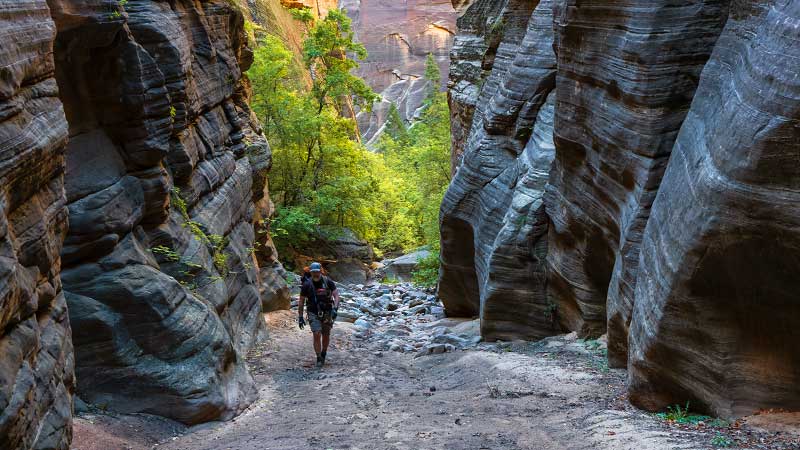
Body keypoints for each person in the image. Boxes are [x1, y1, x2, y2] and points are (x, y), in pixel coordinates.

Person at [298, 262, 340, 367]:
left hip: (327, 311)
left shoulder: (328, 281)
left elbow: (336, 295)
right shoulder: (307, 284)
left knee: (326, 334)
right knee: (316, 333)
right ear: (311, 272)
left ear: (320, 271)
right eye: (313, 272)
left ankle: (324, 352)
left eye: (317, 271)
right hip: (312, 312)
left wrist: (335, 308)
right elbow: (301, 301)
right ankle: (318, 358)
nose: (315, 274)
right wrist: (300, 316)